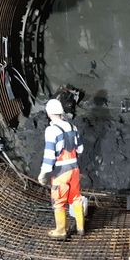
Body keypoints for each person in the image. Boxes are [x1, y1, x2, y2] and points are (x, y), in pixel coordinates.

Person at [37, 99, 85, 239]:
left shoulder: (51, 130)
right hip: (74, 169)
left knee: (59, 201)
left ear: (48, 113)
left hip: (60, 172)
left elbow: (49, 154)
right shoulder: (73, 127)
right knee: (76, 198)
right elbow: (80, 149)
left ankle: (61, 231)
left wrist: (43, 173)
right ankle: (80, 228)